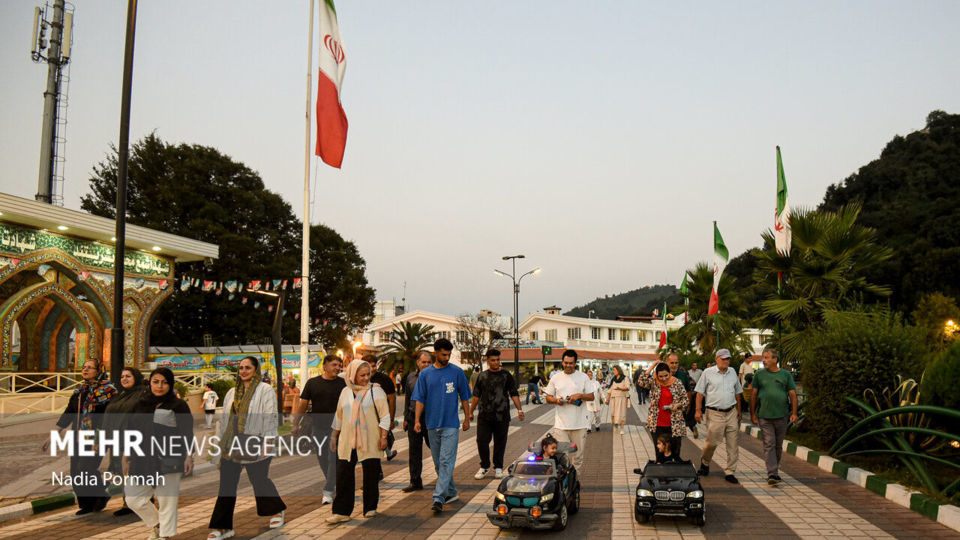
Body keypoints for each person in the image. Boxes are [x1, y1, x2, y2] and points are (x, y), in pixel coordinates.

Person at [208, 356, 286, 539]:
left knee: (259, 480)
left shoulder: (264, 390)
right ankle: (223, 527)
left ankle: (276, 510)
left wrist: (268, 442)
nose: (243, 371)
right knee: (226, 486)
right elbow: (225, 419)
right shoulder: (231, 392)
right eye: (241, 368)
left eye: (248, 368)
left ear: (255, 370)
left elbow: (270, 416)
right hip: (231, 444)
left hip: (255, 441)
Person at [123, 368, 194, 540]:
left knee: (167, 501)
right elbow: (131, 431)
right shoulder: (140, 404)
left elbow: (187, 432)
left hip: (169, 457)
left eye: (164, 382)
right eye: (156, 382)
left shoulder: (178, 405)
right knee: (133, 498)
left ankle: (165, 536)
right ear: (150, 383)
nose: (160, 386)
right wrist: (125, 456)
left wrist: (189, 456)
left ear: (170, 384)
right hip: (141, 458)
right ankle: (157, 524)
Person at [43, 358, 117, 515]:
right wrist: (53, 434)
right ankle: (86, 504)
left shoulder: (108, 392)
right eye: (84, 367)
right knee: (76, 472)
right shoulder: (80, 392)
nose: (85, 370)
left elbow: (109, 418)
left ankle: (101, 494)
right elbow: (68, 414)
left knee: (86, 467)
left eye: (90, 368)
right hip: (78, 437)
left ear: (99, 371)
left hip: (97, 436)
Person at [325, 359, 392, 524]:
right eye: (362, 375)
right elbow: (339, 416)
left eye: (368, 374)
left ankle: (370, 507)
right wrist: (334, 437)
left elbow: (385, 415)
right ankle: (341, 512)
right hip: (348, 440)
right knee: (343, 475)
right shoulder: (345, 392)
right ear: (352, 375)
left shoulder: (376, 391)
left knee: (371, 473)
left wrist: (384, 437)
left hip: (371, 439)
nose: (366, 378)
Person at [411, 338, 471, 514]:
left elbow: (465, 396)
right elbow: (419, 399)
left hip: (451, 424)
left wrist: (467, 418)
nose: (447, 357)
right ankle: (451, 492)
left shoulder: (457, 372)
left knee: (446, 461)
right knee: (438, 463)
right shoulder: (425, 374)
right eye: (444, 354)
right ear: (435, 353)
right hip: (431, 424)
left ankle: (438, 497)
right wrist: (416, 421)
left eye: (449, 354)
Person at [292, 354, 345, 505]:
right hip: (318, 427)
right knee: (322, 458)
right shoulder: (313, 383)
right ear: (325, 366)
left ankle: (328, 490)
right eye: (334, 365)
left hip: (336, 429)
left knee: (333, 457)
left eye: (339, 365)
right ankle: (332, 484)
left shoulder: (342, 383)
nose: (337, 368)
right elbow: (302, 404)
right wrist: (296, 424)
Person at [469, 349, 524, 479]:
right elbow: (476, 396)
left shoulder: (506, 375)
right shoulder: (482, 376)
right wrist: (470, 412)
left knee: (500, 442)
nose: (496, 362)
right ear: (487, 361)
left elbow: (514, 393)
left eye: (498, 360)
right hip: (484, 416)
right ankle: (485, 466)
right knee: (481, 441)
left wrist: (520, 410)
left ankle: (498, 467)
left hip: (502, 415)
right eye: (493, 360)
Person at [694, 348, 744, 484]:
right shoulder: (708, 373)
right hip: (714, 413)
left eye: (728, 359)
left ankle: (730, 471)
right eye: (723, 359)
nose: (726, 361)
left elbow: (738, 393)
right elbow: (699, 393)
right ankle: (705, 462)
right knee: (711, 443)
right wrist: (698, 411)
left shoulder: (733, 372)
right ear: (717, 359)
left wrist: (739, 412)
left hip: (731, 412)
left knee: (733, 444)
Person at [750, 349, 799, 485]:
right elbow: (754, 395)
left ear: (775, 359)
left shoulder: (786, 375)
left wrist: (794, 413)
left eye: (766, 358)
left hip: (782, 415)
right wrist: (753, 414)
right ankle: (772, 473)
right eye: (763, 358)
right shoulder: (759, 375)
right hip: (764, 416)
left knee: (778, 445)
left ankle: (774, 471)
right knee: (769, 443)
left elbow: (793, 395)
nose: (763, 360)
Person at [102, 366, 145, 517]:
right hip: (116, 440)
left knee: (133, 471)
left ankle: (141, 501)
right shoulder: (121, 396)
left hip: (133, 440)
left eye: (128, 376)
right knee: (120, 471)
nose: (124, 379)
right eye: (122, 377)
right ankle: (127, 502)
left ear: (136, 378)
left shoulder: (142, 395)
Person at [543, 350, 593, 471]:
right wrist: (556, 400)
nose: (568, 365)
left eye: (571, 363)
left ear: (575, 363)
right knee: (561, 455)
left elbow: (591, 396)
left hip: (580, 424)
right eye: (566, 363)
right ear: (562, 362)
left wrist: (579, 396)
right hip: (561, 425)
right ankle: (563, 482)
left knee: (578, 457)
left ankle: (574, 481)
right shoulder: (555, 377)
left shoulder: (583, 377)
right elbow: (548, 397)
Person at [637, 362, 689, 462]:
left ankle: (675, 474)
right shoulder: (654, 382)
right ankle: (660, 474)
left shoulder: (677, 382)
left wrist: (677, 405)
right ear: (656, 375)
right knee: (659, 452)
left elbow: (685, 400)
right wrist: (652, 366)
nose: (664, 378)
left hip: (674, 423)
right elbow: (641, 381)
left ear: (670, 373)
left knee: (675, 451)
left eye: (666, 375)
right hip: (657, 423)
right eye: (660, 376)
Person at [401, 351, 433, 492]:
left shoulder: (435, 377)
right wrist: (406, 418)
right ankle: (415, 481)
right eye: (423, 362)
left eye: (428, 362)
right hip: (414, 418)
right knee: (414, 451)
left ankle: (444, 480)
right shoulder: (410, 378)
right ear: (418, 363)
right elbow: (408, 399)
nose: (425, 364)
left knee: (436, 449)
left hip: (431, 418)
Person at [363, 354, 398, 461]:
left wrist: (391, 419)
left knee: (378, 443)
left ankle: (377, 469)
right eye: (368, 366)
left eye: (374, 366)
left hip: (380, 419)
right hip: (363, 420)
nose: (372, 369)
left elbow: (392, 399)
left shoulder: (384, 379)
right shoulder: (357, 379)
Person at [607, 365, 630, 434]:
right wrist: (607, 399)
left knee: (621, 413)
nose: (613, 371)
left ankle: (622, 428)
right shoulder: (613, 379)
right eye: (613, 370)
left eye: (614, 370)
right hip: (614, 398)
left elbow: (627, 387)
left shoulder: (624, 378)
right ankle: (615, 426)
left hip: (621, 398)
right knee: (613, 412)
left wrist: (620, 388)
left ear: (618, 370)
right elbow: (610, 389)